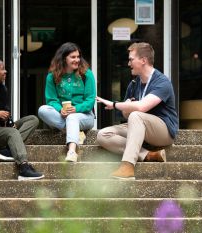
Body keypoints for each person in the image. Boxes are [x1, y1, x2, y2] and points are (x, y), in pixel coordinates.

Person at [96, 42, 178, 180]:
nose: (129, 64)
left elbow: (141, 108)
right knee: (103, 134)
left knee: (136, 115)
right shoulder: (134, 84)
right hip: (139, 126)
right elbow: (126, 114)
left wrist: (115, 104)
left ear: (143, 60)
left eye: (131, 59)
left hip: (164, 131)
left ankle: (127, 166)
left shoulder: (162, 82)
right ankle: (149, 155)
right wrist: (127, 107)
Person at [38, 42, 96, 162]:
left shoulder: (87, 74)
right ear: (64, 58)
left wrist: (76, 109)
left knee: (72, 118)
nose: (77, 60)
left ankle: (72, 151)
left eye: (78, 56)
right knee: (42, 110)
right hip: (63, 115)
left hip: (85, 116)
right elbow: (51, 100)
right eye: (73, 57)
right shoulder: (52, 76)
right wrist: (60, 109)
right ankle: (75, 133)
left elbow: (90, 100)